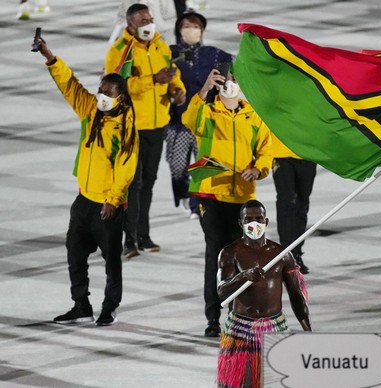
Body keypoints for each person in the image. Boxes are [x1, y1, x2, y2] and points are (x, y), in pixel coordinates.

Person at [36, 37, 139, 326]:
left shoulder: (127, 128)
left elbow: (126, 166)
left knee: (111, 263)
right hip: (83, 200)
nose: (102, 96)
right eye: (100, 90)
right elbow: (70, 85)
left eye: (108, 92)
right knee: (75, 256)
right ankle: (81, 304)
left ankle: (110, 306)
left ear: (121, 97)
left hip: (108, 205)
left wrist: (112, 199)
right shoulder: (90, 111)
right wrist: (50, 57)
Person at [182, 66, 273, 337]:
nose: (229, 84)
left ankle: (237, 315)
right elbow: (188, 119)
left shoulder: (254, 116)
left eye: (234, 79)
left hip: (243, 198)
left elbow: (266, 151)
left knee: (241, 258)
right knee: (217, 254)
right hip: (210, 194)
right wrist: (204, 89)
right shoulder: (207, 112)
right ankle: (213, 316)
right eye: (224, 79)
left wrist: (258, 169)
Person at [105, 3, 186, 259]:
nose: (149, 24)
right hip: (131, 126)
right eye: (143, 20)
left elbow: (173, 75)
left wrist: (177, 90)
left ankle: (143, 233)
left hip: (157, 124)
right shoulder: (119, 50)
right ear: (130, 24)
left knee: (148, 182)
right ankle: (127, 239)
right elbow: (115, 86)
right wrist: (153, 80)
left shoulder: (162, 45)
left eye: (150, 19)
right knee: (132, 183)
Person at [216, 199, 311, 387]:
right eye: (249, 219)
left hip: (274, 326)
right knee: (243, 382)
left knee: (275, 380)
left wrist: (307, 328)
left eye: (259, 219)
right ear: (240, 223)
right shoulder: (230, 253)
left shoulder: (281, 254)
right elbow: (222, 292)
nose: (254, 224)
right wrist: (243, 276)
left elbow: (296, 294)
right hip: (242, 328)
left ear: (266, 222)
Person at [165, 10, 233, 219]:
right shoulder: (170, 52)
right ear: (179, 29)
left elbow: (232, 70)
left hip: (204, 119)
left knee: (202, 164)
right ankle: (183, 193)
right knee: (177, 166)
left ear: (202, 30)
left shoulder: (214, 54)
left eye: (196, 27)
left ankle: (197, 204)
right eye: (187, 26)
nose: (191, 31)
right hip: (177, 120)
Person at [271, 135, 317, 274]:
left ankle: (296, 253)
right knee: (286, 203)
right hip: (281, 152)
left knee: (302, 204)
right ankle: (286, 255)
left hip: (308, 153)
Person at [109, 0, 178, 45]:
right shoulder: (127, 2)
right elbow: (120, 21)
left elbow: (172, 21)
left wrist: (159, 28)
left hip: (162, 39)